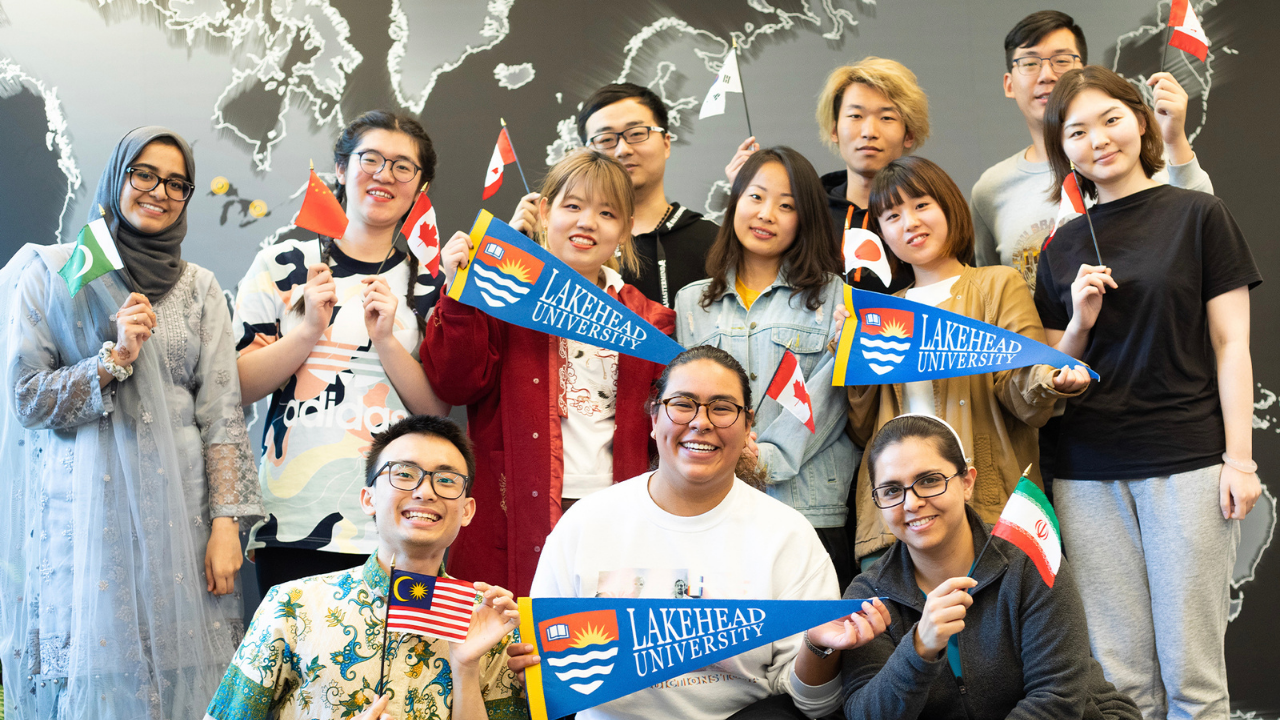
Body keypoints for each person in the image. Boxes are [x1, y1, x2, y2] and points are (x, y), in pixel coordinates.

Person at [0, 126, 263, 718]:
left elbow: (222, 415)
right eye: (144, 174)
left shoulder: (200, 288)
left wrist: (227, 526)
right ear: (116, 178)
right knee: (96, 679)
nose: (159, 192)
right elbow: (27, 400)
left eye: (176, 182)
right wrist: (113, 359)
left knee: (185, 679)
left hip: (183, 517)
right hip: (85, 518)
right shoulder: (57, 273)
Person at [1035, 65, 1262, 720]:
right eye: (1077, 131)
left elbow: (1231, 345)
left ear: (1140, 120)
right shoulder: (1060, 247)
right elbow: (1053, 372)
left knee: (1193, 674)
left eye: (1110, 119)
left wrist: (1240, 461)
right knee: (1119, 677)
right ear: (1064, 150)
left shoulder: (1199, 214)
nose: (1098, 140)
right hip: (1085, 473)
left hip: (1185, 462)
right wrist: (1079, 321)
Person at [513, 346, 891, 720]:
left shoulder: (789, 536)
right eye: (682, 404)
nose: (701, 422)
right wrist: (528, 668)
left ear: (747, 425)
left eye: (722, 408)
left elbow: (814, 704)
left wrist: (819, 647)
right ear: (654, 418)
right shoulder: (585, 524)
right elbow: (545, 672)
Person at [423, 149, 675, 596]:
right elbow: (455, 385)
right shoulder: (501, 296)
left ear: (626, 229)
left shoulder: (649, 321)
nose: (587, 222)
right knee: (504, 633)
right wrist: (459, 292)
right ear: (544, 211)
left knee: (599, 635)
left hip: (615, 513)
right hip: (511, 512)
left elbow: (666, 429)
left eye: (607, 213)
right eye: (572, 206)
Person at [233, 110, 449, 593]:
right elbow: (240, 385)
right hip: (293, 519)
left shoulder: (433, 283)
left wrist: (387, 341)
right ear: (341, 168)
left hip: (400, 516)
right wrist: (307, 331)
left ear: (420, 186)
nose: (384, 175)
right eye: (370, 159)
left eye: (402, 166)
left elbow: (437, 408)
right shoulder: (282, 264)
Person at [847, 156, 1090, 568]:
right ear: (882, 234)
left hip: (989, 507)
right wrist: (850, 352)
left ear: (949, 207)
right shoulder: (879, 313)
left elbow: (1023, 380)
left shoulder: (998, 284)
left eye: (921, 205)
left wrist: (1050, 380)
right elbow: (862, 428)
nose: (910, 223)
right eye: (892, 215)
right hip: (900, 518)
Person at [205, 415, 528, 720]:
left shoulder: (488, 623)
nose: (425, 492)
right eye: (404, 474)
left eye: (445, 480)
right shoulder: (291, 606)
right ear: (368, 498)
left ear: (467, 510)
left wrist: (466, 669)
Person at [840, 414, 1142, 720]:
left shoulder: (1029, 559)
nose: (911, 503)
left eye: (929, 481)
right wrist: (919, 648)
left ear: (967, 482)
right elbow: (864, 715)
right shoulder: (868, 595)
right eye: (892, 490)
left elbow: (1057, 698)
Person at [675, 146, 857, 589]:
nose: (766, 214)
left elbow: (829, 396)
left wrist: (766, 457)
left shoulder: (835, 296)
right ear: (735, 201)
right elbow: (682, 399)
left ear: (805, 218)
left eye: (786, 205)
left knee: (812, 630)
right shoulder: (692, 301)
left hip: (809, 504)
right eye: (755, 197)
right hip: (717, 503)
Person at [971, 10, 1213, 288]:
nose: (1047, 75)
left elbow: (1204, 229)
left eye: (1062, 60)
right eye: (1029, 63)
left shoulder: (1134, 161)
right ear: (1009, 84)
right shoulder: (989, 191)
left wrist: (1175, 141)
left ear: (1082, 73)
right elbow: (990, 295)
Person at [725, 57, 930, 293]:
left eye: (886, 118)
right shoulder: (804, 207)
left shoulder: (929, 214)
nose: (869, 132)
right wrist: (742, 195)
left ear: (909, 134)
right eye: (855, 116)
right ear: (834, 130)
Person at [508, 83, 720, 307]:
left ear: (666, 143)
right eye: (605, 139)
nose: (623, 150)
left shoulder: (714, 242)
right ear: (587, 153)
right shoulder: (538, 240)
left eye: (637, 134)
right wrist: (510, 247)